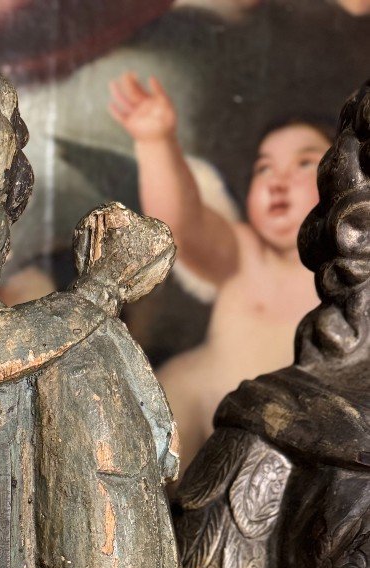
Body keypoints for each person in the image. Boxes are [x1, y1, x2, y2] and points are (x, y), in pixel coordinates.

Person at [109, 71, 331, 471]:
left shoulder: (347, 273)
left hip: (296, 447)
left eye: (304, 163)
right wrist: (156, 141)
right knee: (164, 402)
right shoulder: (244, 251)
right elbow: (182, 224)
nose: (278, 181)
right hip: (207, 421)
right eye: (264, 169)